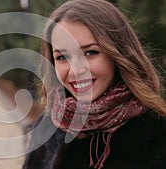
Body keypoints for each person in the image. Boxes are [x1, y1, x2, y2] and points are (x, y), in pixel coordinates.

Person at [22, 0, 166, 169]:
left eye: (90, 52)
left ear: (118, 54)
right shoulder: (46, 128)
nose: (75, 70)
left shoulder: (156, 133)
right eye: (62, 57)